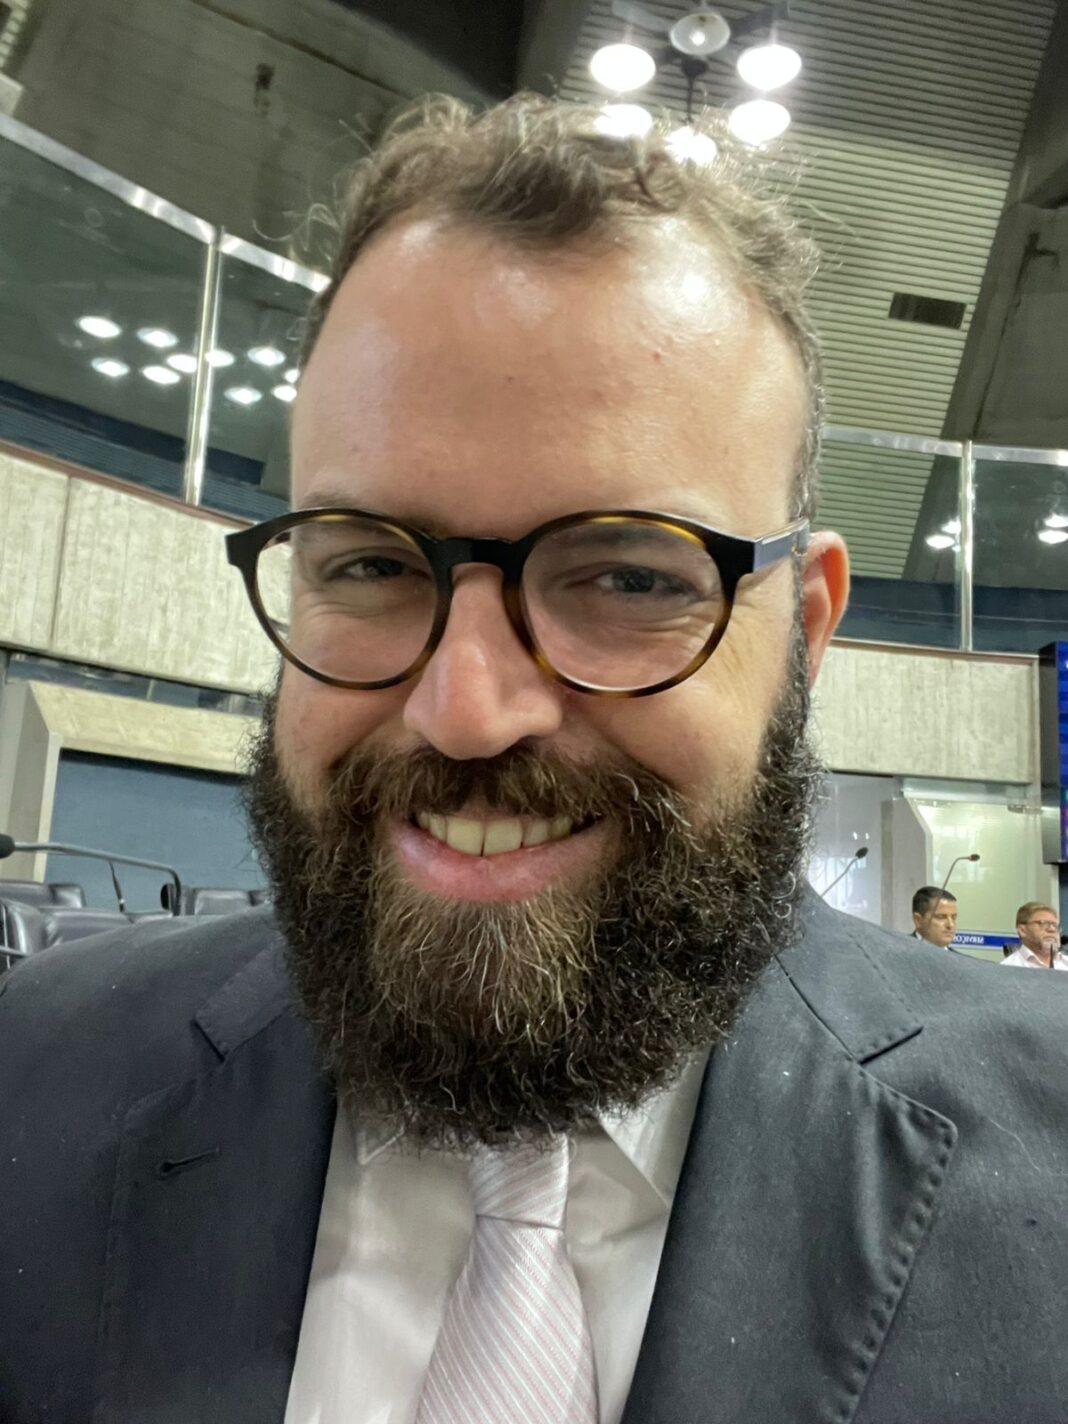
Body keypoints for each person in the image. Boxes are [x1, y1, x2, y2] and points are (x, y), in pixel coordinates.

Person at [3, 94, 1068, 1424]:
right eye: (371, 564)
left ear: (802, 634)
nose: (466, 709)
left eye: (629, 575)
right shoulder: (32, 1082)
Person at [1002, 901, 1068, 970]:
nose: (1052, 929)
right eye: (1042, 923)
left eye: (1055, 925)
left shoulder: (1066, 963)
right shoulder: (1009, 967)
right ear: (1022, 930)